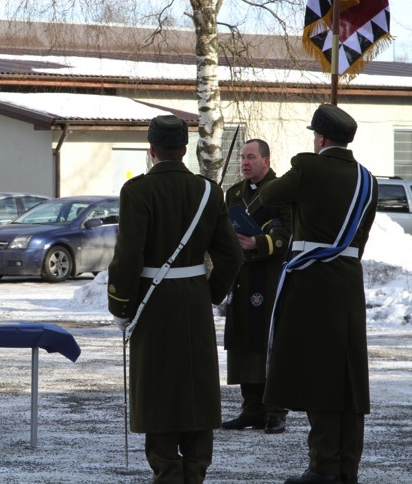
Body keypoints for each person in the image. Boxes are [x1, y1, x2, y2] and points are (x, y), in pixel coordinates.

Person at [107, 115, 242, 483]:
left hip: (153, 304)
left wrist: (121, 305)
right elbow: (232, 256)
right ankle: (195, 472)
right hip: (194, 301)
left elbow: (127, 258)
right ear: (185, 150)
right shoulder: (208, 191)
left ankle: (167, 471)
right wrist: (210, 294)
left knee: (159, 390)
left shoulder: (136, 191)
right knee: (196, 389)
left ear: (151, 151)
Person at [260, 104, 377, 484]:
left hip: (312, 281)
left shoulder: (308, 168)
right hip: (348, 280)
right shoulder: (367, 180)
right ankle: (347, 466)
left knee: (319, 374)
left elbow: (269, 196)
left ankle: (323, 466)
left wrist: (300, 165)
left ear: (321, 138)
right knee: (348, 377)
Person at [222, 139, 291, 435]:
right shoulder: (234, 193)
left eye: (251, 157)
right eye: (242, 157)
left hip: (269, 276)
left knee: (269, 343)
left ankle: (275, 412)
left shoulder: (281, 190)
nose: (245, 162)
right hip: (242, 276)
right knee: (244, 341)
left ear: (266, 160)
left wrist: (259, 241)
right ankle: (251, 409)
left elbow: (289, 232)